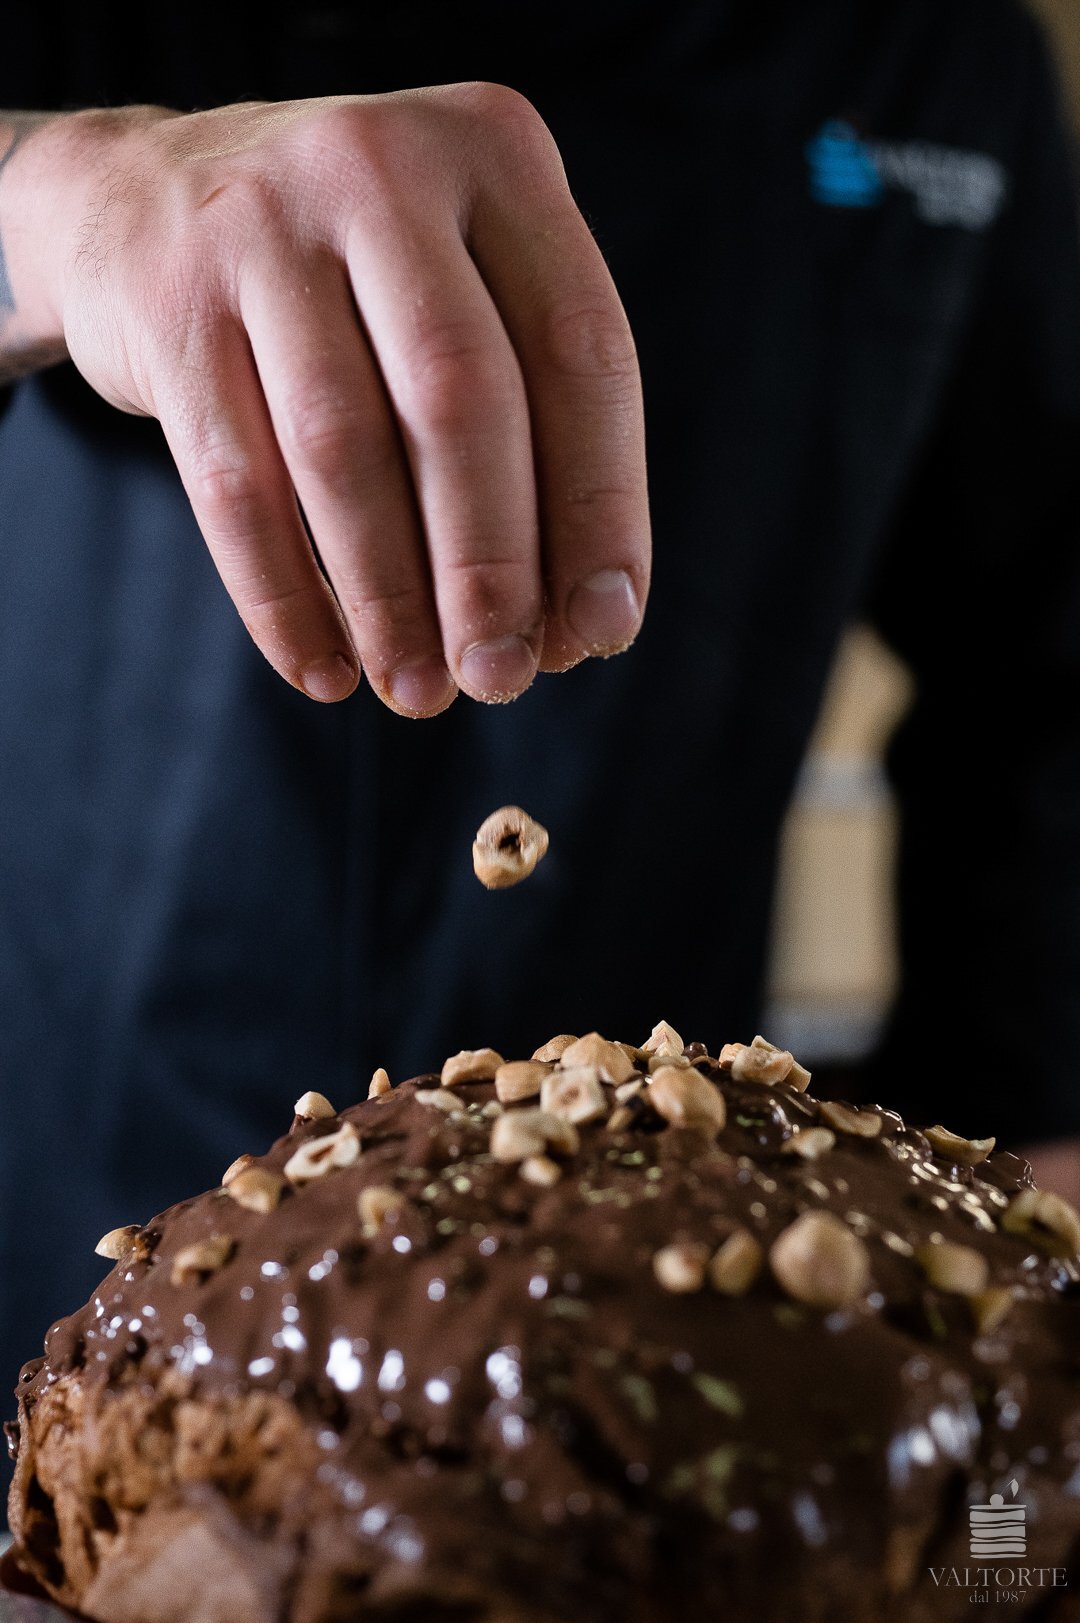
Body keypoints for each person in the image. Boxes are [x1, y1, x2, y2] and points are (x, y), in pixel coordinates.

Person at [1, 0, 1078, 1397]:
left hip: (670, 1237)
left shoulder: (939, 51)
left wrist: (1029, 1150)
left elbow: (1043, 653)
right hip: (69, 1175)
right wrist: (52, 198)